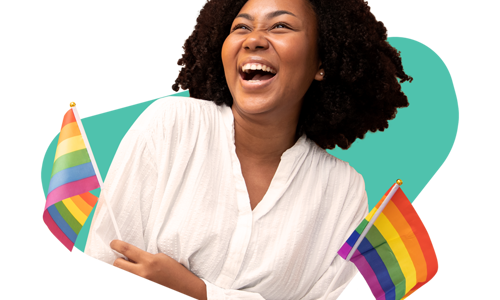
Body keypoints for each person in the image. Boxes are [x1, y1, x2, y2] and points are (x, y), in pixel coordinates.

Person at [84, 0, 413, 299]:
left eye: (280, 26)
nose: (253, 39)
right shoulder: (170, 126)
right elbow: (107, 255)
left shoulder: (343, 190)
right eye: (241, 27)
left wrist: (198, 293)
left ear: (322, 62)